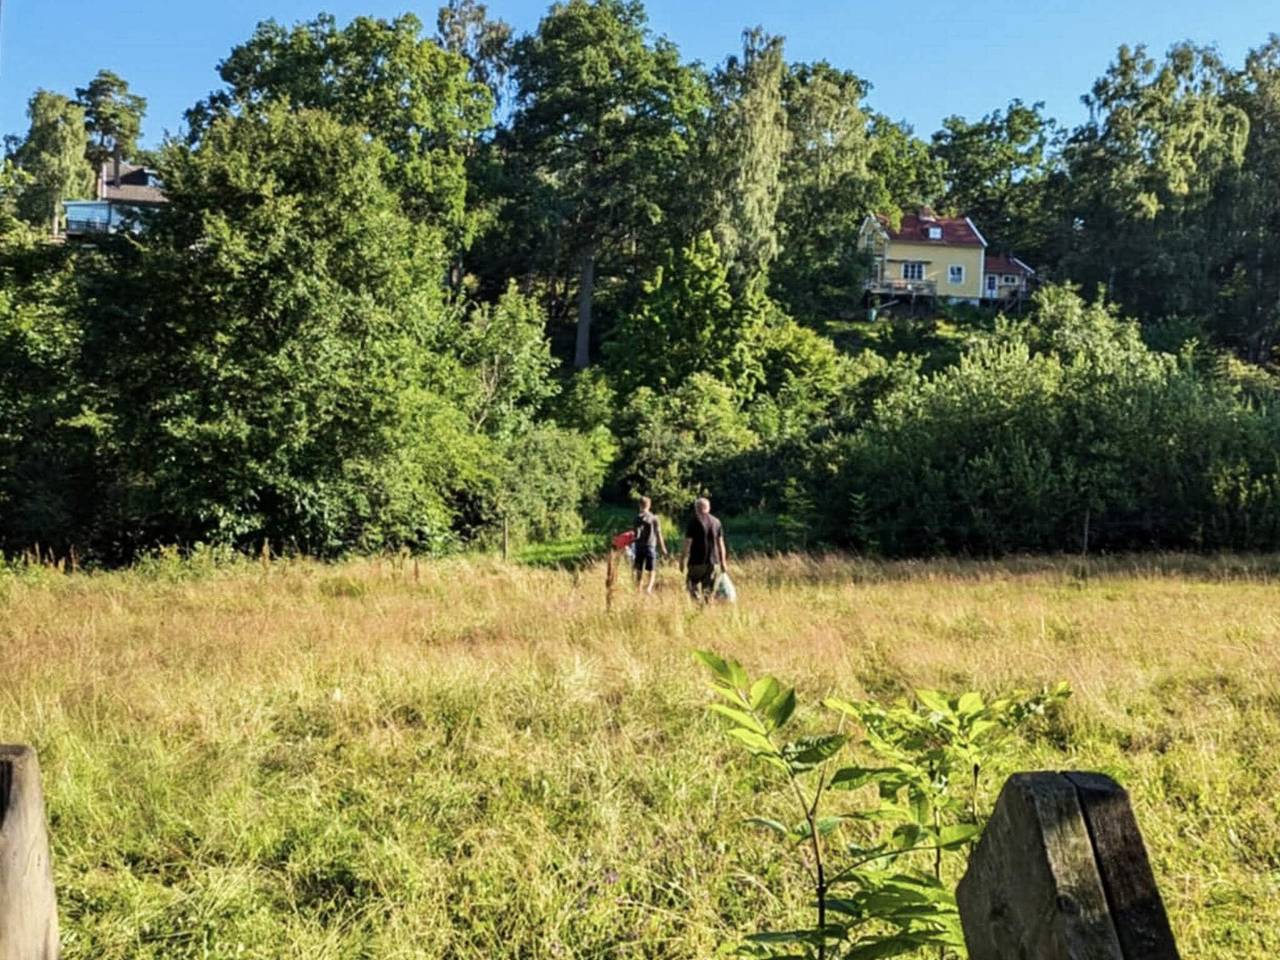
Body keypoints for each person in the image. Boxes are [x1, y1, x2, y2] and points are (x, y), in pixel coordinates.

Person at [680, 496, 727, 602]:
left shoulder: (693, 522)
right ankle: (706, 607)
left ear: (696, 509)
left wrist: (682, 560)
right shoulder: (716, 522)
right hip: (713, 562)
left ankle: (697, 606)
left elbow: (687, 543)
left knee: (692, 586)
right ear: (708, 508)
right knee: (708, 592)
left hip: (696, 562)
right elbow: (721, 544)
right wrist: (723, 562)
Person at [632, 496, 668, 593]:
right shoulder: (654, 518)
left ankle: (638, 588)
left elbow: (634, 534)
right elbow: (658, 534)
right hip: (650, 546)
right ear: (649, 505)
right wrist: (663, 548)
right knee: (652, 570)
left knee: (639, 569)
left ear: (639, 505)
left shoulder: (636, 518)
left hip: (639, 546)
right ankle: (648, 588)